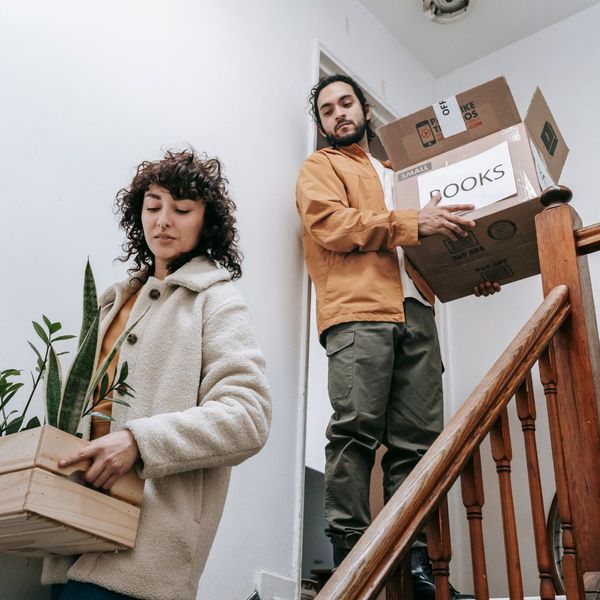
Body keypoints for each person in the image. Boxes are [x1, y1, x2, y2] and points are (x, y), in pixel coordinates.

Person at [296, 74, 498, 599]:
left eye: (346, 103)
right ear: (320, 123)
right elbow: (332, 226)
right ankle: (349, 556)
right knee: (356, 430)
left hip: (418, 312)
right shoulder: (322, 167)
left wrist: (473, 269)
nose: (338, 113)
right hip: (360, 313)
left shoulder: (402, 175)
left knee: (419, 444)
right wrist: (411, 222)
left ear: (365, 110)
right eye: (326, 109)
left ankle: (415, 560)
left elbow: (432, 238)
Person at [42, 149, 272, 600]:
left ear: (206, 221)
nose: (163, 220)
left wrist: (138, 441)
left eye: (182, 209)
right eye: (153, 206)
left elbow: (249, 417)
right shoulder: (111, 303)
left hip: (142, 560)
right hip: (70, 539)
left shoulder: (217, 301)